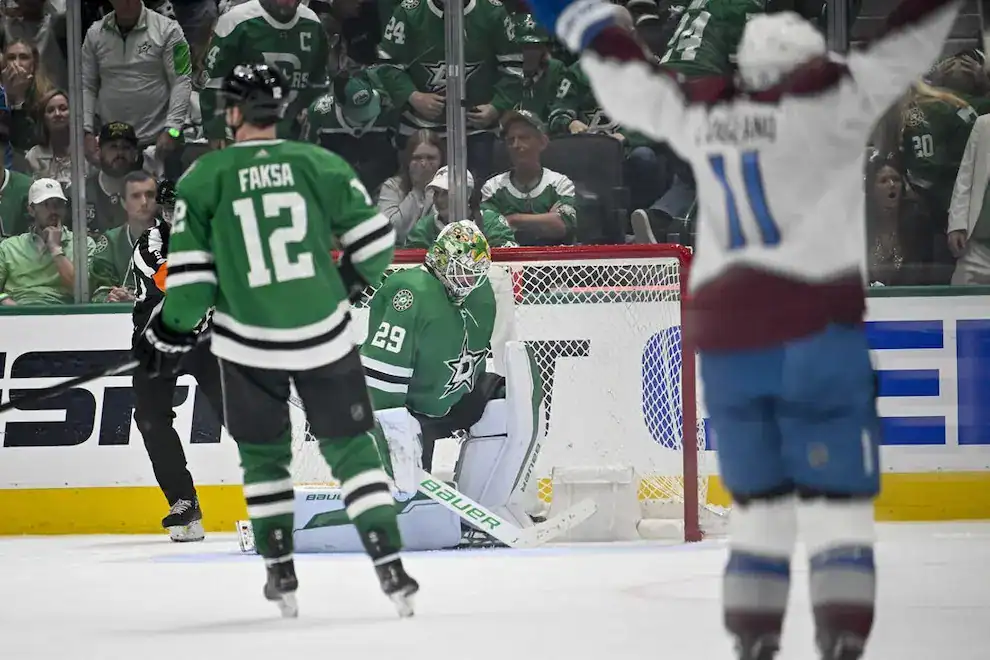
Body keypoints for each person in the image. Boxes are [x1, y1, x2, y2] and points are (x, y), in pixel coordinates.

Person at [523, 0, 959, 658]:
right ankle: (844, 631)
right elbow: (906, 40)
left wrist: (571, 13)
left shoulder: (710, 113)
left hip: (733, 334)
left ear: (746, 70)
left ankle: (755, 637)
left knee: (760, 505)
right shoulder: (837, 102)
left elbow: (628, 78)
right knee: (838, 503)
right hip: (818, 326)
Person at [133, 62, 417, 618]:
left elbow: (190, 288)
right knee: (351, 447)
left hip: (248, 341)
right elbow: (377, 241)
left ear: (233, 112)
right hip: (322, 333)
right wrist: (343, 287)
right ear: (281, 110)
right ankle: (390, 564)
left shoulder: (205, 177)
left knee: (265, 457)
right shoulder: (317, 163)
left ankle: (281, 572)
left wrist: (163, 336)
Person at [362, 220, 538, 540]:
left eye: (475, 273)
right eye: (462, 271)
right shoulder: (410, 293)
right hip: (411, 410)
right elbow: (381, 376)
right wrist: (390, 423)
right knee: (406, 500)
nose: (468, 281)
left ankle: (482, 509)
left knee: (504, 405)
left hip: (457, 398)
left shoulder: (481, 293)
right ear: (441, 260)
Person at [129, 172, 224, 542]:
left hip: (204, 341)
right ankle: (184, 501)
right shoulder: (150, 244)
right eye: (172, 210)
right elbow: (172, 279)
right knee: (150, 418)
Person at [0, 178, 94, 306]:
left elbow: (85, 292)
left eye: (58, 204)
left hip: (63, 312)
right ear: (31, 210)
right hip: (18, 310)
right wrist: (3, 300)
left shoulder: (82, 244)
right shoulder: (9, 247)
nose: (54, 211)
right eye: (46, 205)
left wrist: (55, 249)